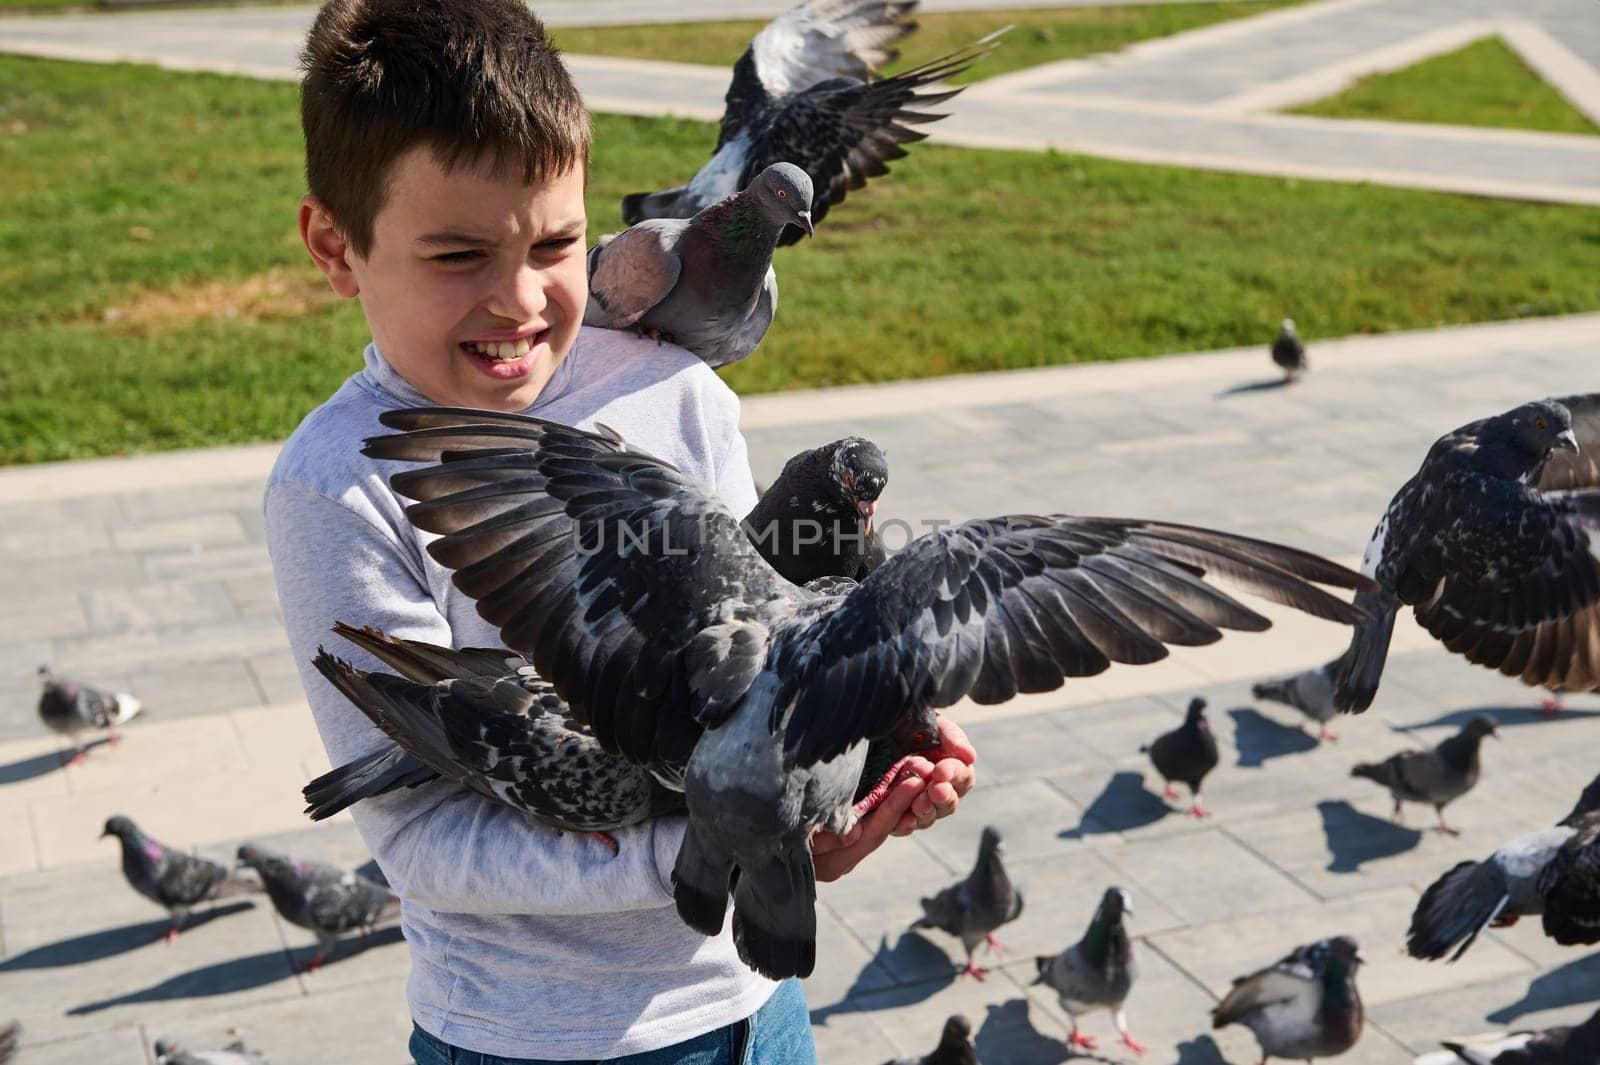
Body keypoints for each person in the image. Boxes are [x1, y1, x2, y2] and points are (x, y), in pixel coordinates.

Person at [263, 2, 977, 1062]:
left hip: (755, 1001)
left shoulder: (671, 390)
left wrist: (854, 768)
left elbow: (758, 669)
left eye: (555, 244)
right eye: (458, 254)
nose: (517, 301)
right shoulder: (337, 486)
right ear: (336, 246)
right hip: (531, 1037)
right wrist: (725, 845)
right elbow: (418, 841)